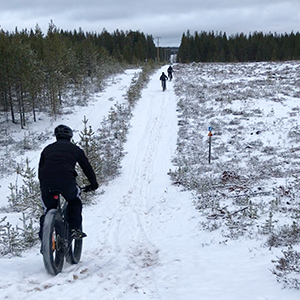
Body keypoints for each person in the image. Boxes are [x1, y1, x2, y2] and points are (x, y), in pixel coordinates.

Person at [38, 124, 98, 241]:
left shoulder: (47, 149)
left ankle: (44, 238)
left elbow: (41, 169)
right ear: (70, 136)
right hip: (66, 180)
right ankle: (75, 229)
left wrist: (44, 185)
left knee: (48, 210)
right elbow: (87, 168)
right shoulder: (75, 149)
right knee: (74, 200)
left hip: (47, 181)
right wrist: (93, 184)